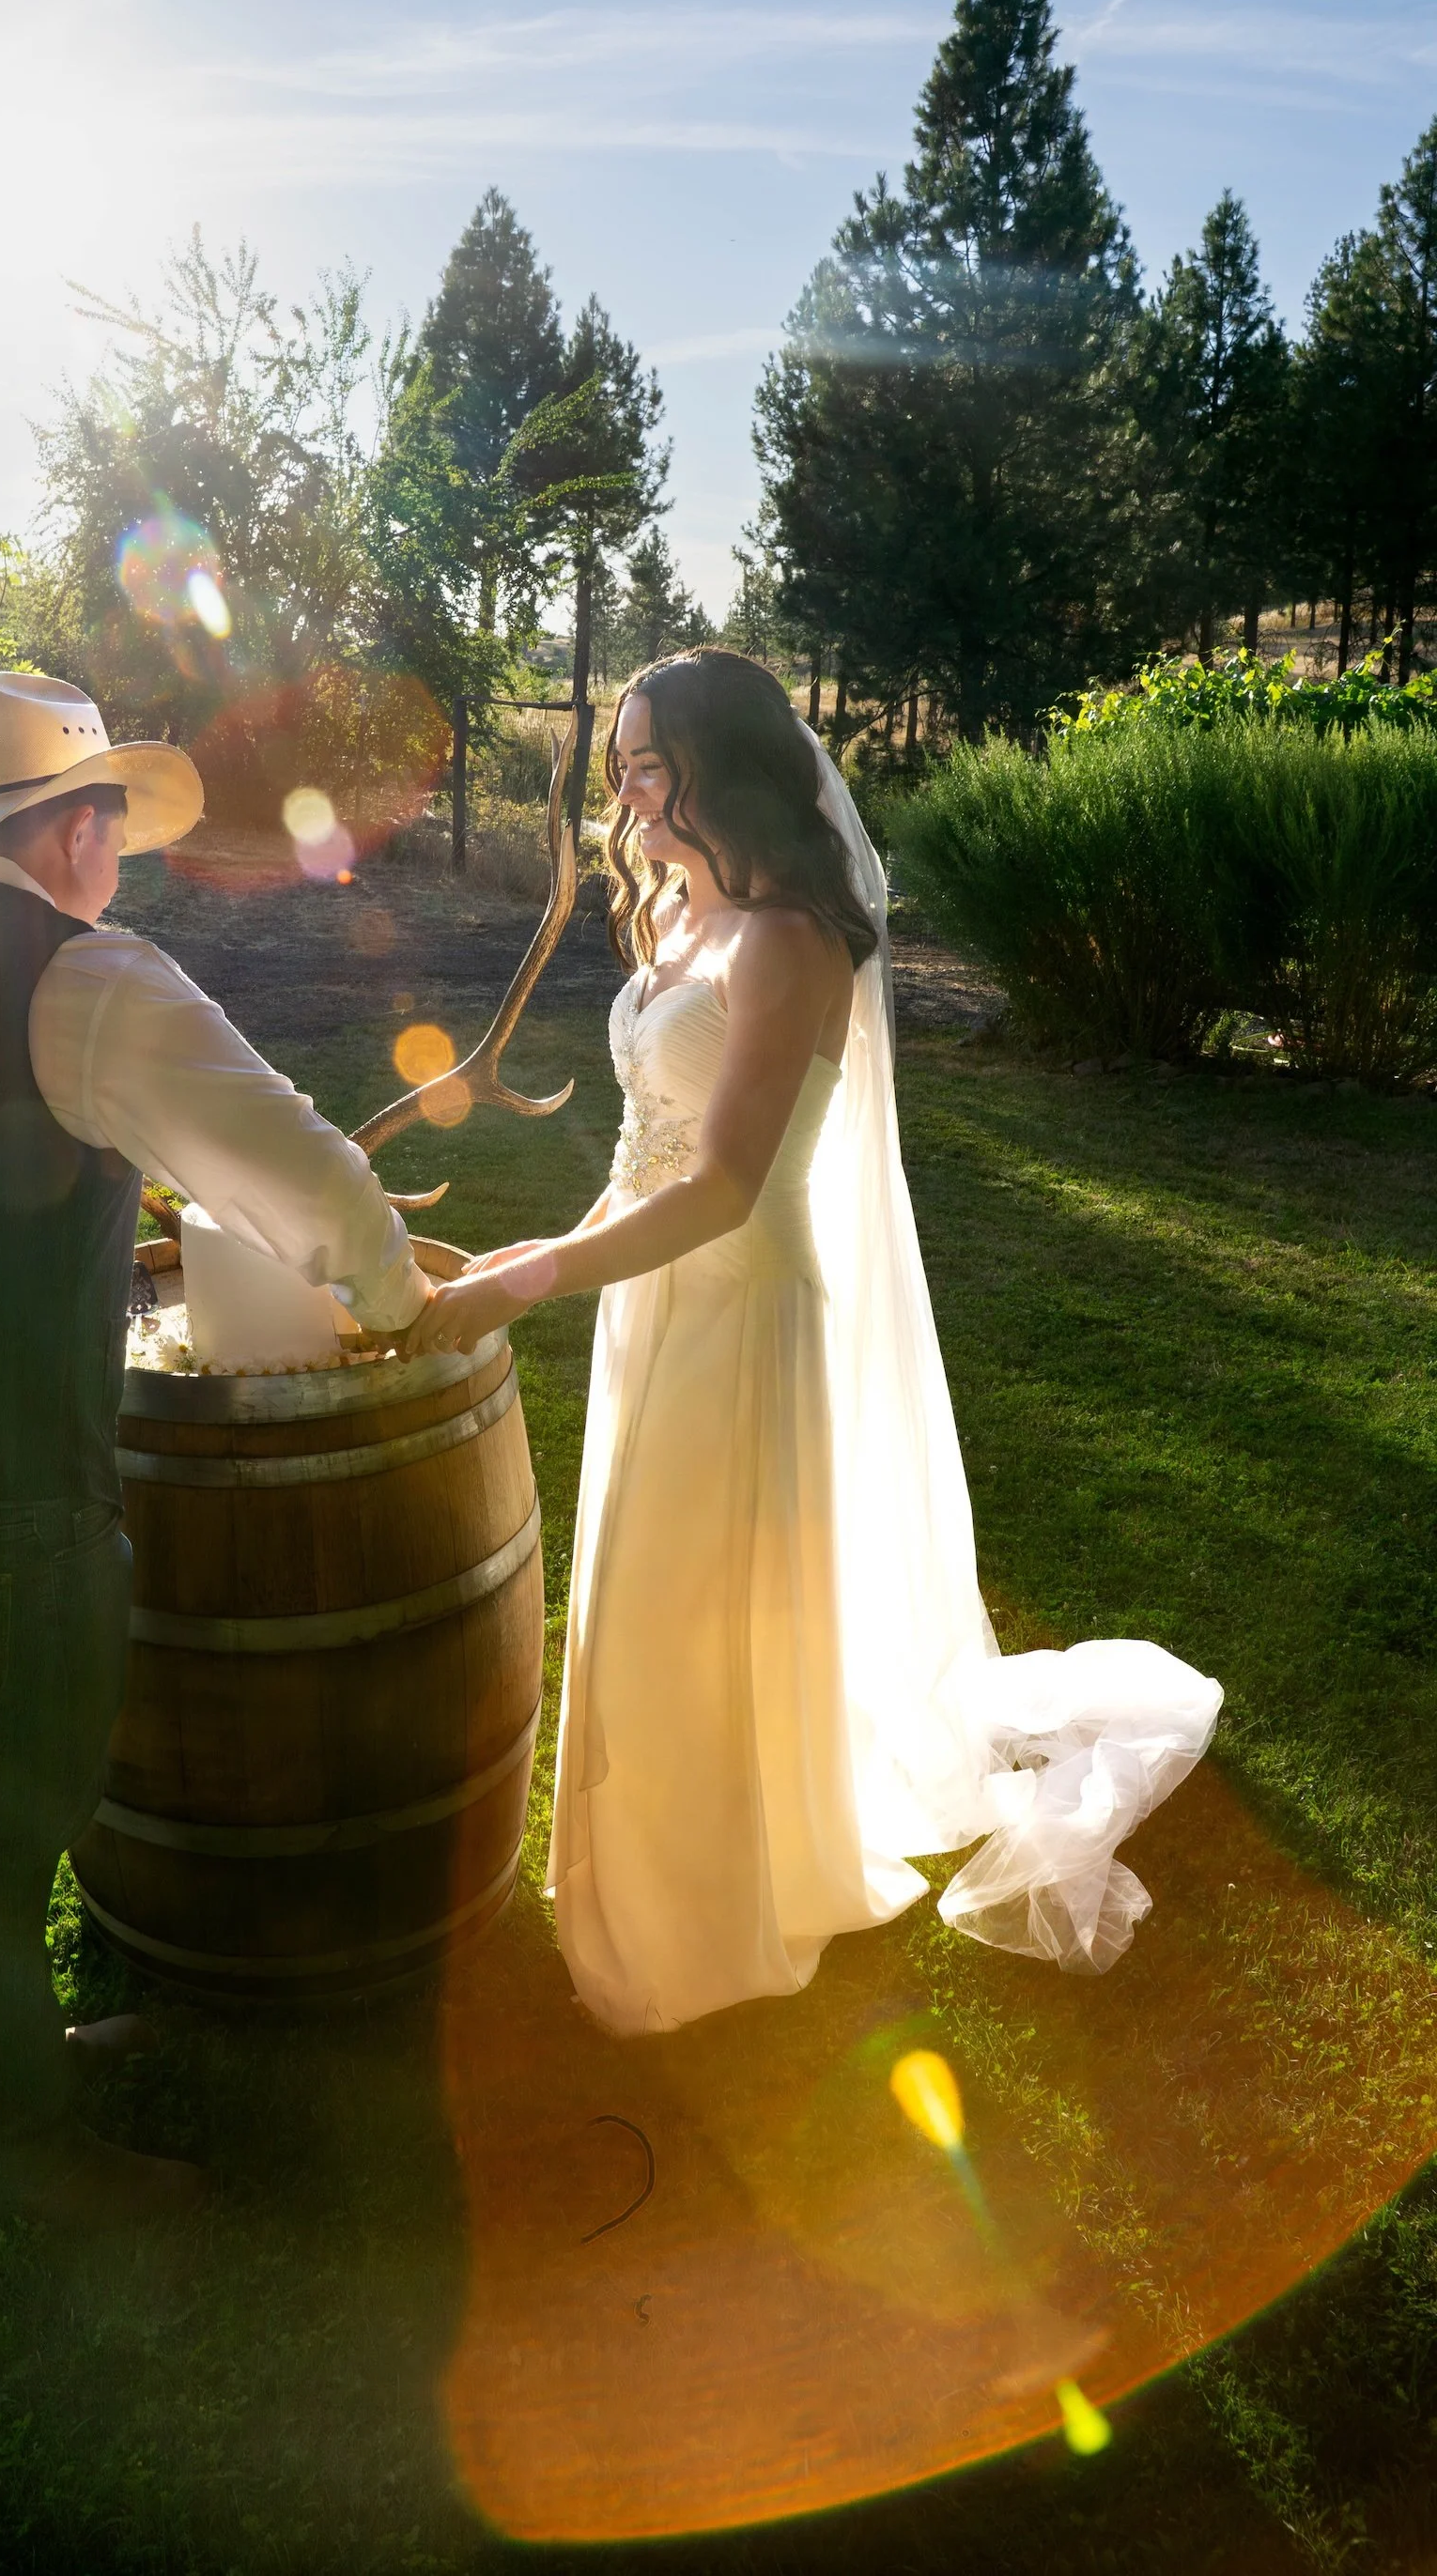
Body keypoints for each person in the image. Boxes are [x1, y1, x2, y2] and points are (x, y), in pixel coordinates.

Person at [409, 648, 1220, 2037]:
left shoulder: (789, 941)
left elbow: (725, 1186)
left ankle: (709, 1919)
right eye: (622, 766)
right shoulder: (680, 915)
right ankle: (646, 1878)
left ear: (723, 771)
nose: (627, 793)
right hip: (651, 1296)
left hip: (738, 1306)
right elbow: (650, 1149)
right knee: (647, 1596)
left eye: (651, 764)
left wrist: (529, 1284)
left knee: (700, 1611)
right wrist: (528, 1250)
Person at [0, 671, 429, 2214]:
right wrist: (398, 1297)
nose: (116, 865)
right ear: (74, 831)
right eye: (113, 833)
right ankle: (3, 2154)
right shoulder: (88, 984)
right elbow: (303, 1176)